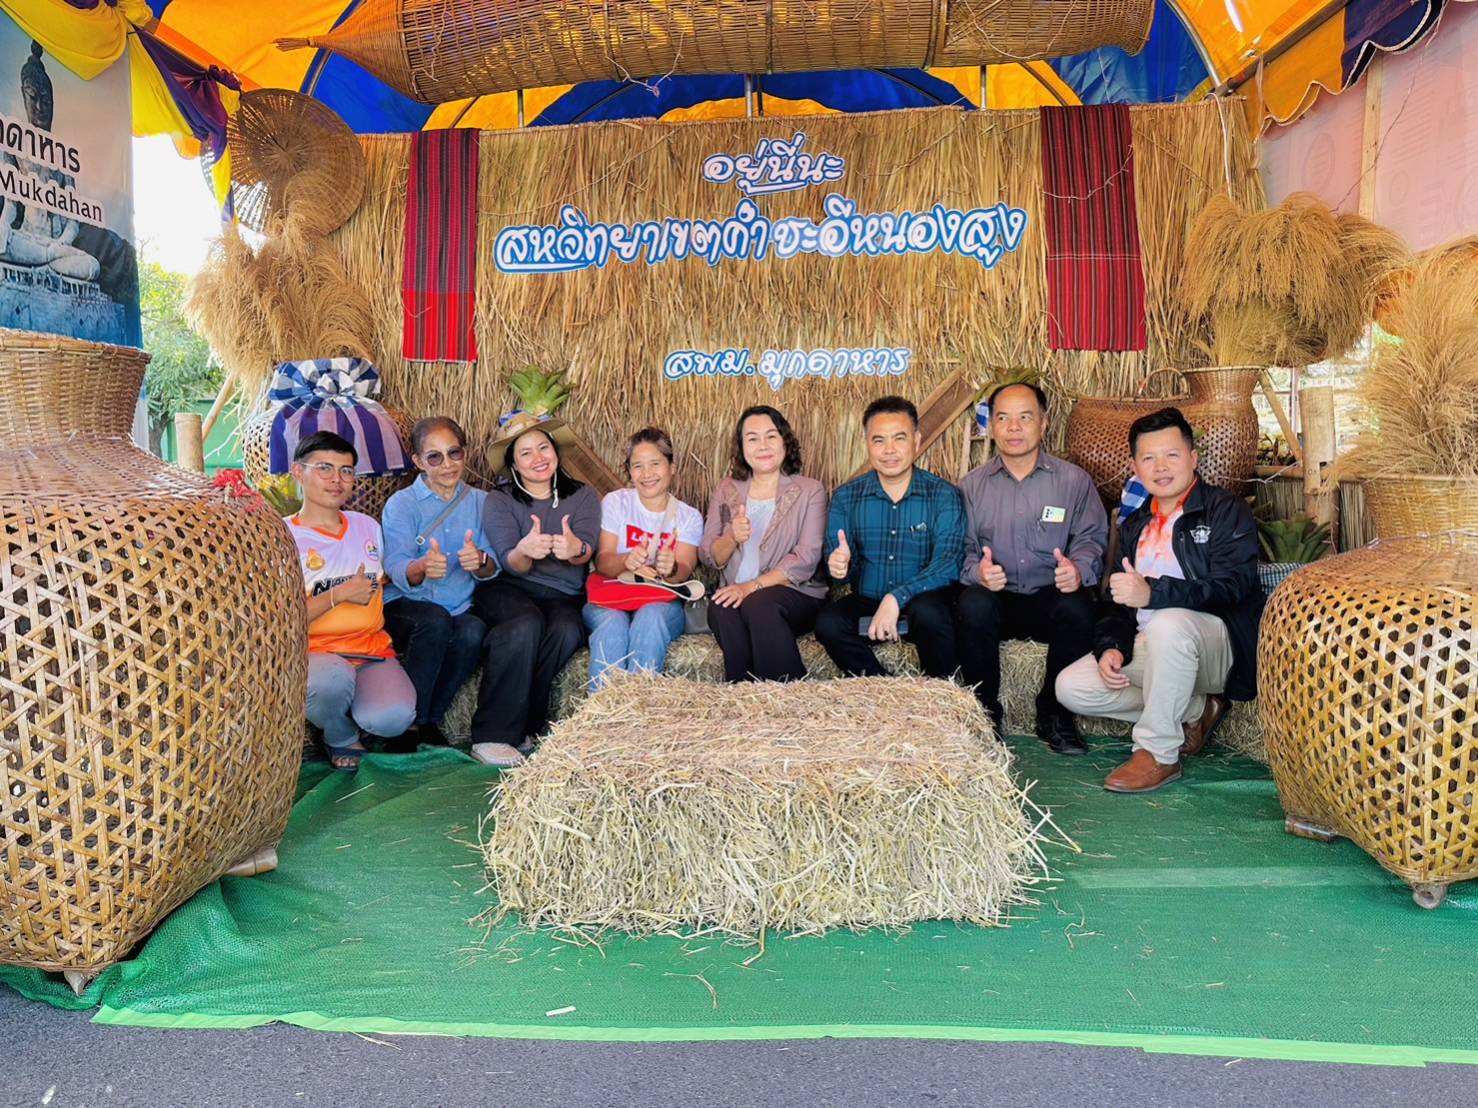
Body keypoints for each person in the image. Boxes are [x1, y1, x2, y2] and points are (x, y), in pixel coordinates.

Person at [1056, 407, 1265, 793]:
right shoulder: (1134, 525)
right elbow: (1117, 601)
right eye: (1149, 458)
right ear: (1135, 466)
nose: (1161, 466)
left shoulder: (1224, 510)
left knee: (1169, 623)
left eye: (1172, 454)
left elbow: (1234, 586)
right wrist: (1111, 646)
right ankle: (1196, 709)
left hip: (1216, 647)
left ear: (1193, 458)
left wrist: (1155, 593)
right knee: (1071, 686)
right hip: (1156, 650)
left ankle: (1157, 753)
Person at [953, 382, 1107, 751]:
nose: (1013, 427)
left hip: (1050, 595)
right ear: (991, 426)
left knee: (1078, 607)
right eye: (1003, 418)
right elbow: (961, 549)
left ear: (1044, 422)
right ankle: (983, 714)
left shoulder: (1073, 481)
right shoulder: (971, 487)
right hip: (997, 598)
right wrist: (978, 572)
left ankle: (1055, 714)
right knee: (972, 604)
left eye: (1025, 417)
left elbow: (1091, 538)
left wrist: (1078, 569)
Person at [285, 431, 416, 770]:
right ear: (298, 472)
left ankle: (362, 710)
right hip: (316, 654)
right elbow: (281, 619)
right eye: (324, 468)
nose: (337, 479)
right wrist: (339, 595)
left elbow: (385, 582)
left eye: (346, 471)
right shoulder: (283, 537)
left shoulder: (367, 527)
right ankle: (339, 734)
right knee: (329, 681)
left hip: (370, 649)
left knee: (394, 718)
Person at [474, 413, 599, 753]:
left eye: (543, 447)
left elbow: (587, 549)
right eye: (525, 452)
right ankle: (491, 736)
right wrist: (524, 551)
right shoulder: (499, 500)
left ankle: (527, 727)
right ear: (514, 463)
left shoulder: (584, 496)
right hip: (509, 588)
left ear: (555, 450)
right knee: (525, 624)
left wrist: (576, 549)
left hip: (562, 595)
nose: (538, 458)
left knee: (567, 631)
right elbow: (509, 562)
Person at [815, 395, 965, 679]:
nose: (889, 450)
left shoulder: (943, 495)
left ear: (916, 441)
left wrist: (896, 598)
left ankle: (940, 695)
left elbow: (948, 562)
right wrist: (839, 566)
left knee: (931, 614)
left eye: (899, 438)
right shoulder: (846, 497)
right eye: (879, 440)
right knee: (828, 623)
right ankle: (884, 689)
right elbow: (839, 571)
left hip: (924, 600)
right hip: (868, 599)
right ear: (867, 444)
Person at [380, 417, 500, 753]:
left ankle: (430, 719)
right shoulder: (402, 504)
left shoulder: (482, 502)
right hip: (406, 604)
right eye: (435, 457)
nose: (447, 464)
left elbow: (494, 562)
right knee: (434, 621)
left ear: (465, 453)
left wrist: (481, 560)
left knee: (473, 631)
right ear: (418, 461)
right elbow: (394, 563)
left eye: (454, 453)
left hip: (457, 605)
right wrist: (420, 566)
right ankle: (406, 725)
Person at [701, 406, 828, 682]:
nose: (763, 446)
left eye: (771, 436)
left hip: (796, 593)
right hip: (738, 591)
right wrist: (732, 537)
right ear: (741, 447)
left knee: (758, 604)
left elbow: (806, 557)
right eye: (752, 438)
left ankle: (786, 694)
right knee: (721, 608)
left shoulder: (810, 490)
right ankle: (744, 694)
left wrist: (750, 587)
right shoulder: (726, 489)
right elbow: (710, 556)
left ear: (785, 441)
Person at [583, 427, 702, 690]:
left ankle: (637, 706)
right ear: (629, 471)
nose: (647, 474)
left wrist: (671, 567)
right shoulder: (616, 503)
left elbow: (684, 570)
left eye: (655, 464)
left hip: (660, 602)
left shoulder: (688, 517)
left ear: (672, 467)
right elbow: (603, 562)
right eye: (638, 466)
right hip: (611, 597)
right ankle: (600, 710)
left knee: (650, 618)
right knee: (612, 626)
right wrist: (625, 560)